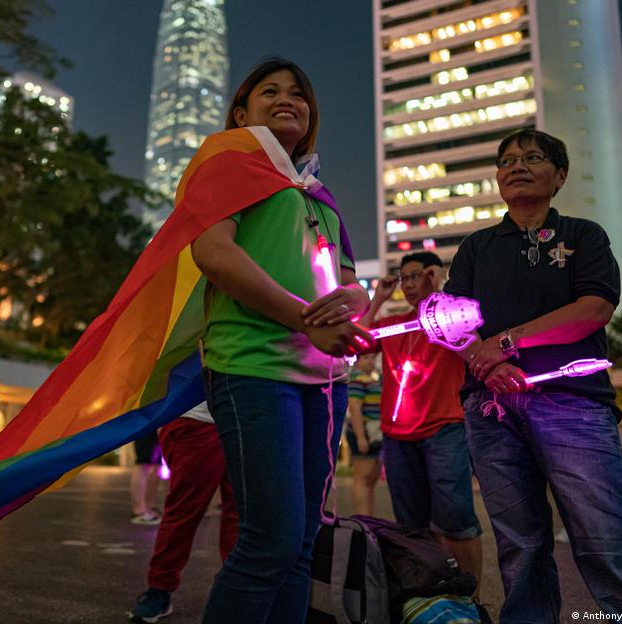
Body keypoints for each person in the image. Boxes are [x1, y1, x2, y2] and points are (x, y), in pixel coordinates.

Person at [445, 129, 622, 620]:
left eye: (532, 157)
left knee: (605, 538)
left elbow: (594, 308)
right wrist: (487, 364)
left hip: (572, 403)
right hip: (491, 409)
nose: (516, 166)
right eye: (506, 161)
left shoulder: (583, 235)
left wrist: (504, 345)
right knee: (518, 545)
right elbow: (453, 318)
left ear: (559, 176)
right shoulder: (477, 247)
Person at [190, 58, 373, 624]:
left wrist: (358, 302)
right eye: (269, 91)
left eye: (299, 92)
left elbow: (347, 279)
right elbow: (212, 252)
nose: (287, 98)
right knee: (269, 542)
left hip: (324, 383)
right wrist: (303, 318)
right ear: (241, 112)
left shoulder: (318, 192)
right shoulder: (227, 164)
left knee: (300, 545)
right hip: (251, 366)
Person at [360, 251, 483, 595]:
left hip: (444, 428)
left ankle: (469, 598)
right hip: (398, 436)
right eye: (404, 278)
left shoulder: (450, 314)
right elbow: (357, 343)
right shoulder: (395, 323)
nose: (410, 284)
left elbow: (472, 349)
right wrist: (379, 298)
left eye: (417, 276)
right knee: (410, 527)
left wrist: (440, 289)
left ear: (433, 275)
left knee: (455, 520)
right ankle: (426, 598)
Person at [128, 403, 239, 623]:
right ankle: (159, 588)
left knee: (243, 517)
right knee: (183, 512)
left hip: (250, 419)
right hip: (197, 418)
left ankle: (237, 594)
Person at [345, 352, 383, 516]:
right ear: (358, 360)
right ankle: (362, 520)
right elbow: (355, 408)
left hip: (375, 433)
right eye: (366, 358)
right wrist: (361, 437)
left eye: (373, 357)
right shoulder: (357, 378)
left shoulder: (373, 377)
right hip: (363, 432)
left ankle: (369, 518)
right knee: (362, 478)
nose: (371, 361)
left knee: (371, 479)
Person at [129, 431, 164, 525]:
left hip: (158, 423)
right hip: (148, 422)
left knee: (156, 463)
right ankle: (139, 511)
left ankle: (148, 507)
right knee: (143, 462)